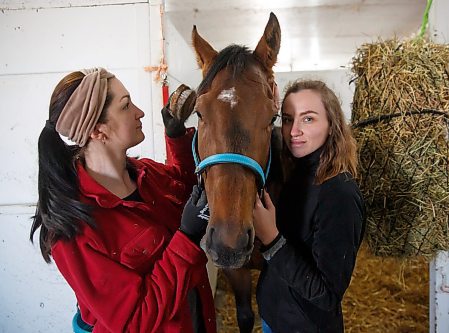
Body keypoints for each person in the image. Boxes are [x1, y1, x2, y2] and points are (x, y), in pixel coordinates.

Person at [30, 67, 216, 333]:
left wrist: (176, 137)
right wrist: (185, 240)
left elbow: (188, 191)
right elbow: (135, 321)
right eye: (126, 106)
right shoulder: (73, 231)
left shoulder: (145, 173)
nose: (139, 112)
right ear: (97, 130)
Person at [253, 79, 366, 333]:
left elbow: (326, 294)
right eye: (288, 118)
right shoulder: (299, 172)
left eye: (308, 119)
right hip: (276, 316)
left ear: (331, 125)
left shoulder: (339, 193)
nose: (293, 131)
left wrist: (272, 240)